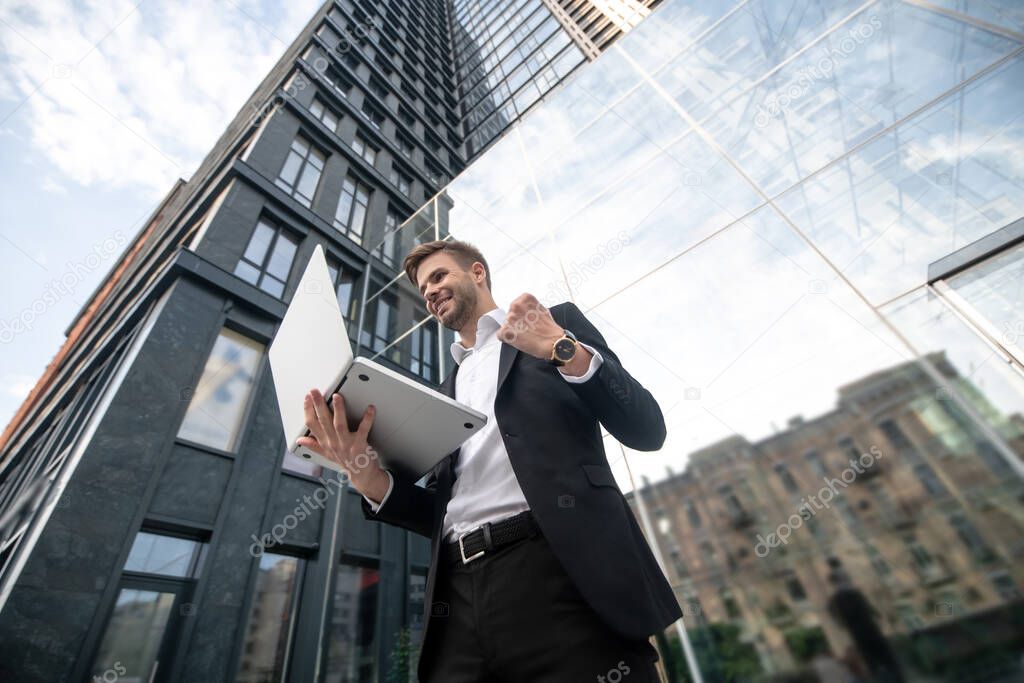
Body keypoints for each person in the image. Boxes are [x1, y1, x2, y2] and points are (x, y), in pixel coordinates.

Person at [299, 239, 680, 681]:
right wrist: (368, 479)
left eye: (439, 276)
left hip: (562, 577)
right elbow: (440, 512)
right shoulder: (443, 393)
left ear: (477, 272)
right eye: (424, 288)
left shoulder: (553, 327)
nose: (431, 291)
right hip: (458, 599)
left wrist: (561, 348)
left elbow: (646, 428)